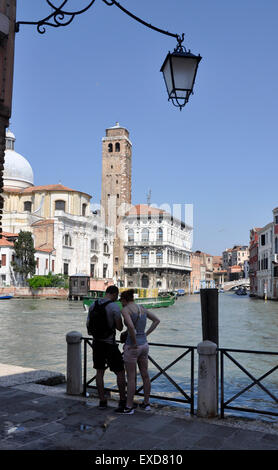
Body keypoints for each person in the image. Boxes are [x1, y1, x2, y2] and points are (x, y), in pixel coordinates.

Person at [120, 289, 160, 415]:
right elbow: (156, 320)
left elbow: (131, 326)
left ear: (124, 300)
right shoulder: (142, 308)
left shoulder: (125, 310)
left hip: (133, 346)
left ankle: (129, 406)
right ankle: (146, 403)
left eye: (121, 300)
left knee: (131, 378)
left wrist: (134, 342)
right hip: (144, 345)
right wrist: (145, 334)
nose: (120, 303)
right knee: (145, 375)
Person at [86, 285, 126, 412]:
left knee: (99, 372)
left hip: (96, 343)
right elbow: (120, 327)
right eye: (117, 296)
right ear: (114, 294)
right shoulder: (114, 306)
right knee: (120, 371)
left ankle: (102, 400)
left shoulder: (93, 305)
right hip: (109, 343)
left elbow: (88, 325)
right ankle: (122, 400)